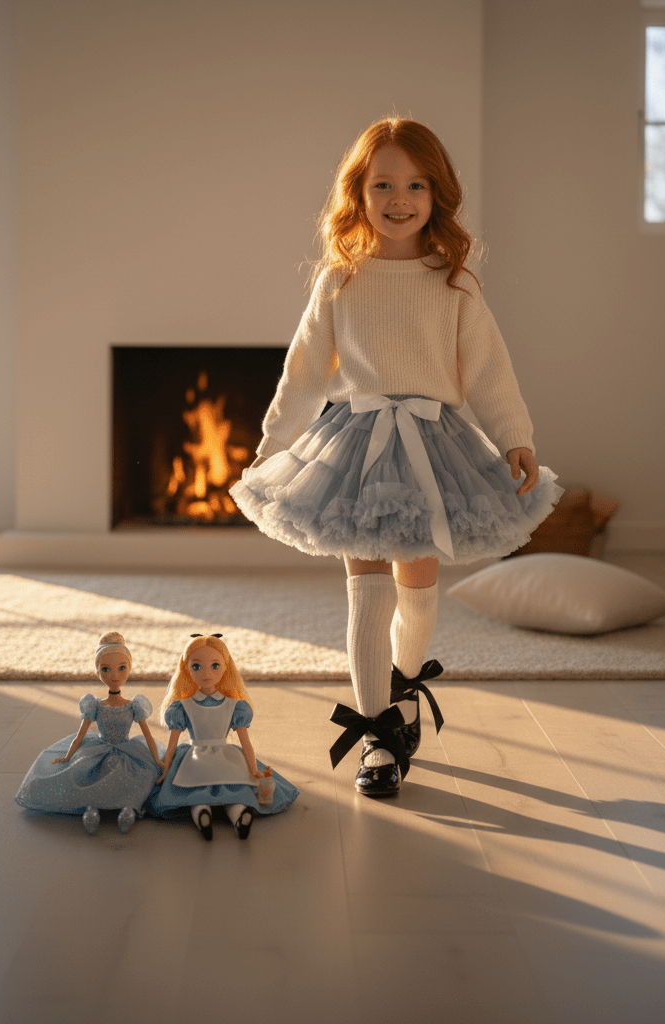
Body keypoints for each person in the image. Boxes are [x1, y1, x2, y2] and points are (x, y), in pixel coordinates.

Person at [229, 118, 562, 798]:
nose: (399, 199)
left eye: (415, 185)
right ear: (358, 193)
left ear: (437, 194)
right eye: (382, 185)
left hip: (435, 446)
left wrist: (515, 436)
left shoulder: (455, 283)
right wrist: (274, 443)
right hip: (355, 446)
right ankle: (378, 732)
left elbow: (489, 370)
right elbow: (303, 373)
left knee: (418, 587)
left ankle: (404, 685)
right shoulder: (339, 279)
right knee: (368, 587)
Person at [147, 634, 298, 840]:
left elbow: (173, 745)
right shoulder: (232, 706)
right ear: (186, 669)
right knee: (234, 789)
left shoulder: (184, 706)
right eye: (197, 666)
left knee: (195, 792)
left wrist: (167, 768)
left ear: (226, 667)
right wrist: (251, 767)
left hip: (194, 758)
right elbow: (245, 744)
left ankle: (204, 814)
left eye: (215, 666)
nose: (206, 673)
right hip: (227, 757)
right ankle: (236, 813)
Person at [14, 631, 164, 833]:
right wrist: (67, 756)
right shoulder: (94, 704)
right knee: (88, 773)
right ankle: (92, 806)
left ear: (129, 669)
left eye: (121, 668)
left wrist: (157, 760)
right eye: (106, 669)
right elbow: (80, 735)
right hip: (99, 749)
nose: (114, 676)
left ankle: (129, 807)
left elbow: (148, 736)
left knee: (137, 775)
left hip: (127, 750)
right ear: (98, 673)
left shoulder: (134, 705)